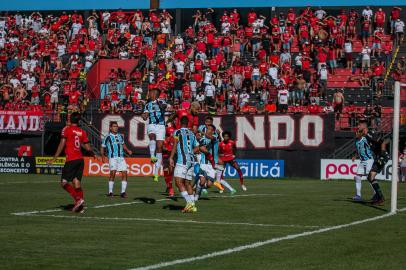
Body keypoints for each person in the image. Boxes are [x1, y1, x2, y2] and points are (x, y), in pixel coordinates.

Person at [47, 112, 99, 213]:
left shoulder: (67, 129)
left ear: (70, 119)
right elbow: (88, 147)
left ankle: (78, 199)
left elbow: (62, 144)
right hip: (80, 159)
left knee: (64, 183)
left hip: (71, 159)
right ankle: (81, 207)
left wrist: (54, 158)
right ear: (79, 121)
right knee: (76, 182)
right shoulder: (82, 132)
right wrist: (93, 154)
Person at [169, 116, 200, 213]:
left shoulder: (177, 132)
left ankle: (189, 203)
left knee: (178, 182)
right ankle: (193, 206)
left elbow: (175, 145)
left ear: (179, 122)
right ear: (188, 123)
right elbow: (197, 148)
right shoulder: (192, 134)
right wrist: (190, 152)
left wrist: (171, 157)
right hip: (191, 160)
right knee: (187, 183)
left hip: (182, 160)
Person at [357, 120, 390, 205]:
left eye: (359, 125)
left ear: (364, 126)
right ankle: (377, 196)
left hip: (382, 156)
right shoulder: (365, 136)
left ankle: (380, 197)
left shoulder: (369, 134)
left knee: (371, 176)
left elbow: (383, 141)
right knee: (369, 177)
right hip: (378, 157)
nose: (358, 127)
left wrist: (382, 154)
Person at [101, 121, 133, 198]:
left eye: (117, 126)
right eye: (114, 126)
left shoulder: (120, 136)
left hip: (121, 157)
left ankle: (123, 192)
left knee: (125, 173)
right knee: (113, 173)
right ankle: (110, 192)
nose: (116, 128)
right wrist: (102, 155)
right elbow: (102, 146)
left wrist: (127, 150)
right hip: (113, 157)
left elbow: (123, 144)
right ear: (110, 128)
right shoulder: (107, 136)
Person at [142, 89, 167, 182]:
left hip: (161, 126)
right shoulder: (148, 105)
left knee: (159, 148)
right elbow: (145, 116)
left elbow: (163, 107)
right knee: (152, 136)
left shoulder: (161, 101)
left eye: (151, 93)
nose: (149, 94)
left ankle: (156, 173)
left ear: (155, 94)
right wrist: (144, 116)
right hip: (152, 124)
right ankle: (152, 156)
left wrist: (158, 103)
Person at [351, 128, 374, 201]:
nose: (356, 134)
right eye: (356, 133)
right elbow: (358, 150)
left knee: (370, 177)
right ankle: (358, 195)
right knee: (357, 177)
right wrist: (355, 156)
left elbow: (372, 144)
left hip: (368, 160)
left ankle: (376, 193)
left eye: (357, 133)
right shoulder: (357, 141)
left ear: (361, 133)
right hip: (362, 161)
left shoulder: (365, 139)